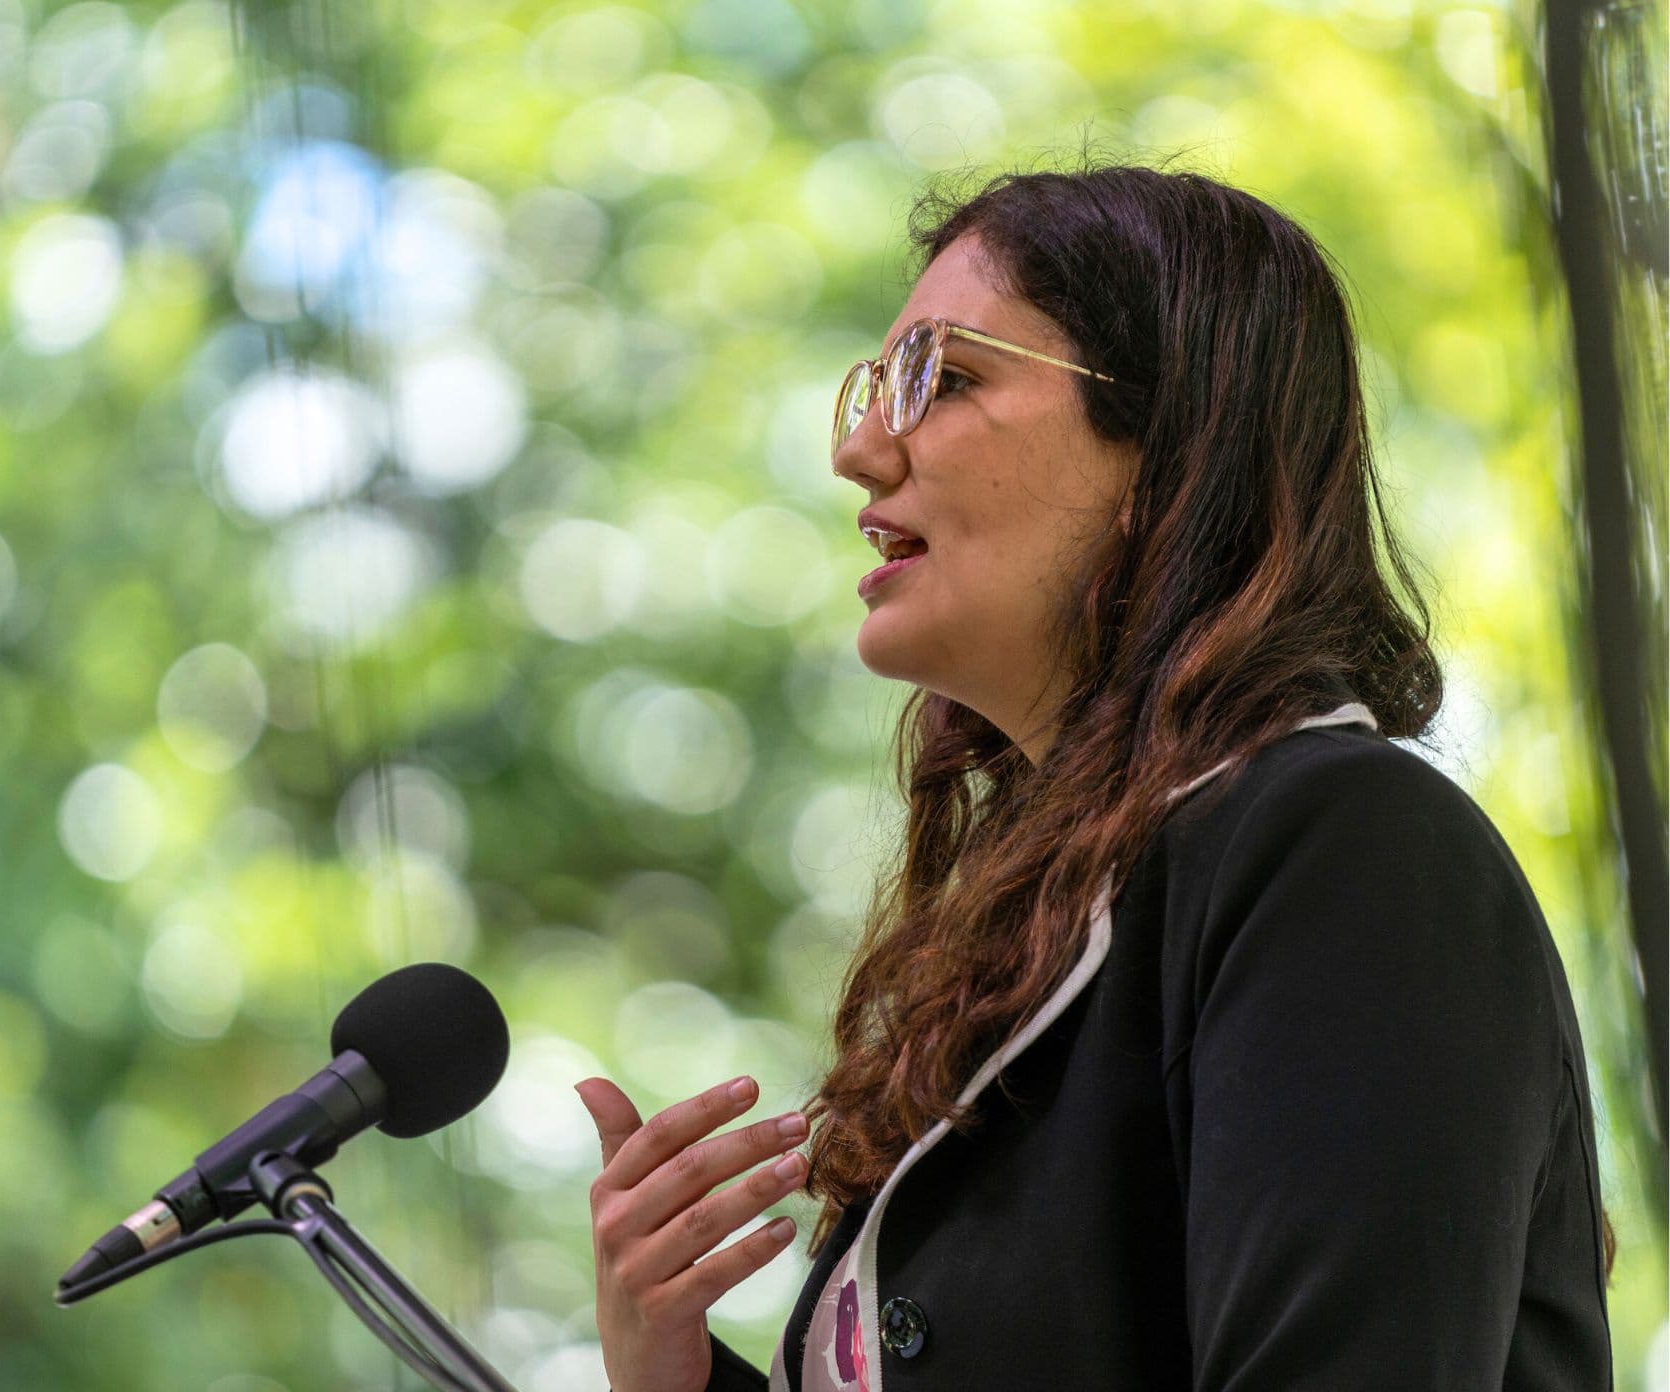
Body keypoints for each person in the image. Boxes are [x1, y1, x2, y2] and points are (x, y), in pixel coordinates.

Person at [574, 164, 1617, 1392]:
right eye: (873, 388)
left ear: (1166, 446)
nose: (857, 451)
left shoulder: (1346, 845)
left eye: (942, 378)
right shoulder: (1076, 917)